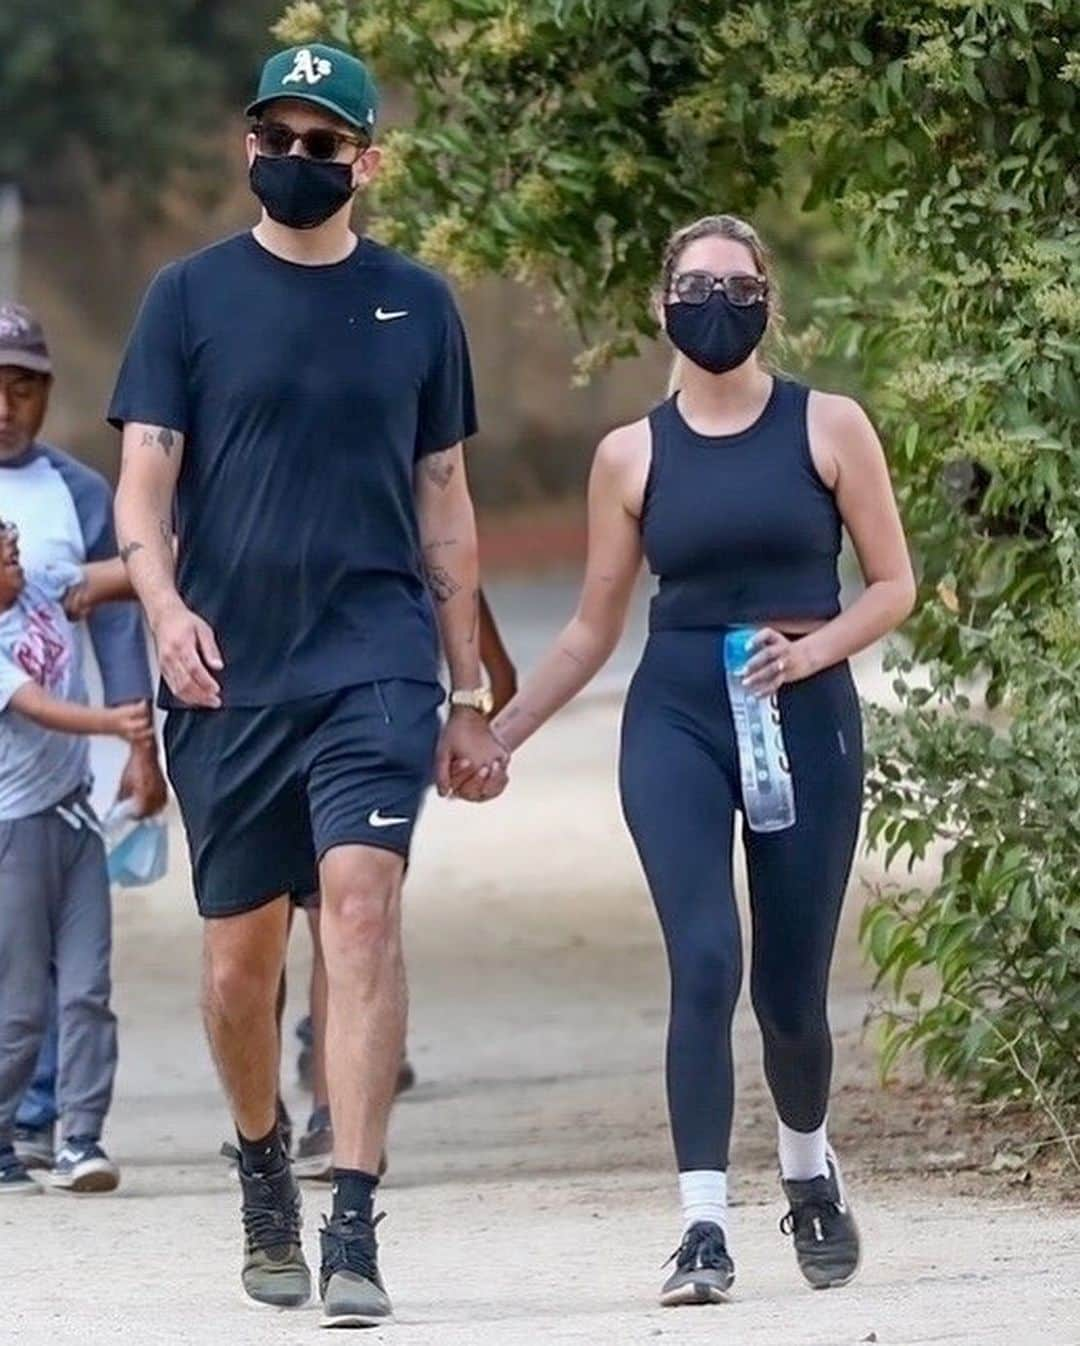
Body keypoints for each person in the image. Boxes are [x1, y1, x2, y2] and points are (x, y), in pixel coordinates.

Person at [110, 43, 506, 1326]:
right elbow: (145, 485)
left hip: (374, 658)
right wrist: (164, 610)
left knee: (358, 905)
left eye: (321, 145)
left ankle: (352, 1214)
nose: (294, 162)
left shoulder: (419, 306)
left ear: (365, 162)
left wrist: (464, 691)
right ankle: (263, 1165)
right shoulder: (187, 298)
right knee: (239, 967)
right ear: (247, 149)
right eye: (274, 139)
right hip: (229, 674)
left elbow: (445, 502)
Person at [479, 215, 916, 1303]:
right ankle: (704, 1226)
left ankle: (809, 1167)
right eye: (694, 284)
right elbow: (589, 626)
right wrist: (501, 729)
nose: (715, 301)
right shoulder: (630, 453)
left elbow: (893, 583)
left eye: (736, 284)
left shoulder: (831, 425)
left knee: (791, 993)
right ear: (659, 303)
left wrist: (810, 649)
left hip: (802, 713)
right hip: (676, 711)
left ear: (769, 299)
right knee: (706, 957)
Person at [0, 301, 166, 1173]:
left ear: (47, 394)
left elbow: (111, 627)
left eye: (21, 387)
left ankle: (55, 1119)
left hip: (50, 780)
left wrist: (141, 747)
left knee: (58, 966)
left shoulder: (79, 494)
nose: (3, 404)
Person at [291, 590, 517, 1181]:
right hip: (266, 705)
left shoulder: (405, 518)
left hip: (373, 718)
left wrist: (470, 725)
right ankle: (275, 1118)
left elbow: (497, 672)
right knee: (257, 933)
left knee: (342, 917)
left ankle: (331, 1113)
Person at [0, 518, 153, 1194]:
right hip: (15, 832)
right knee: (22, 1004)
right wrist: (115, 724)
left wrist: (170, 542)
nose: (12, 545)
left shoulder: (41, 588)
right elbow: (37, 706)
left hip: (74, 818)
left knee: (88, 988)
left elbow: (130, 574)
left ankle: (81, 1138)